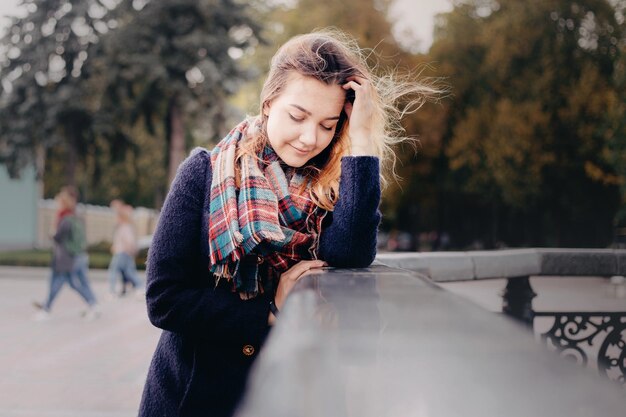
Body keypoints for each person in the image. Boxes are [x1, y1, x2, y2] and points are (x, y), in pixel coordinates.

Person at [139, 28, 440, 417]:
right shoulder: (204, 172)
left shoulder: (332, 189)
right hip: (195, 397)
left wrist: (362, 140)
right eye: (297, 116)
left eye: (329, 124)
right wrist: (268, 307)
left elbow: (350, 255)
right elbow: (163, 300)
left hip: (290, 394)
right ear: (268, 104)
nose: (309, 137)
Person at [33, 185, 99, 320]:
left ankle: (47, 308)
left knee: (60, 283)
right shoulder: (74, 217)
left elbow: (58, 238)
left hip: (65, 258)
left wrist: (52, 233)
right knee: (75, 283)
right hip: (72, 257)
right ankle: (93, 304)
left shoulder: (65, 219)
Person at [107, 200, 144, 297]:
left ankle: (112, 291)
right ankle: (139, 287)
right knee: (129, 272)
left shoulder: (125, 227)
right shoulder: (124, 226)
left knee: (113, 271)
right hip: (123, 252)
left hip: (122, 253)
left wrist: (128, 249)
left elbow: (129, 241)